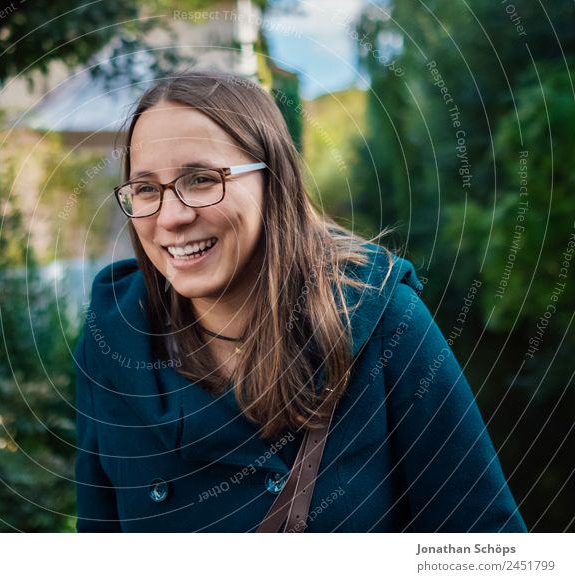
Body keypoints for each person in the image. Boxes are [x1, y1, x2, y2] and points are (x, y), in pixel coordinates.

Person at [73, 70, 526, 533]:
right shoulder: (113, 336)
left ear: (273, 182)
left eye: (202, 179)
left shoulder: (381, 322)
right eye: (146, 188)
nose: (171, 217)